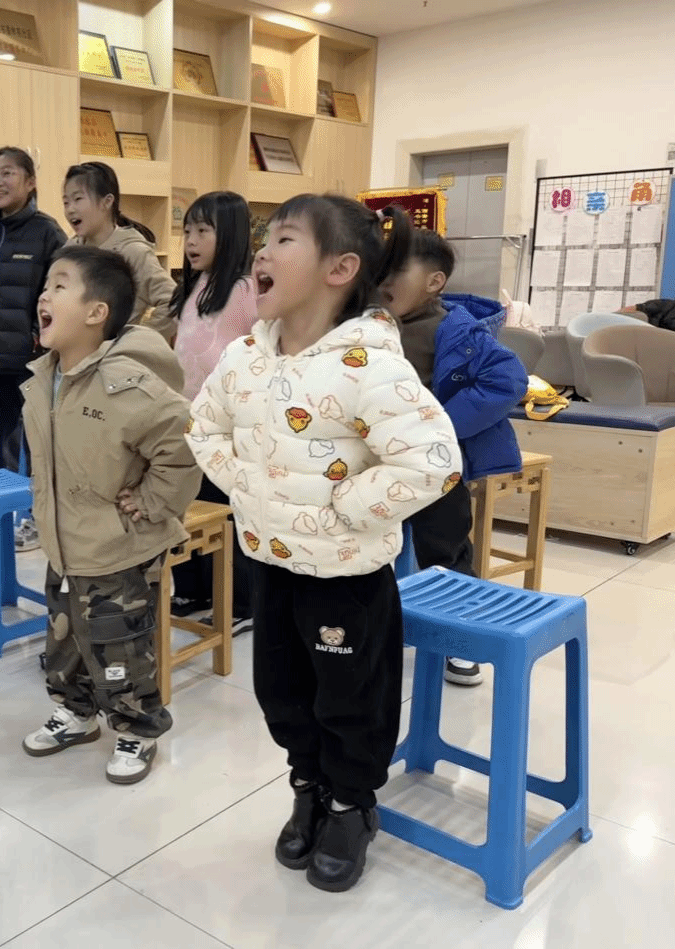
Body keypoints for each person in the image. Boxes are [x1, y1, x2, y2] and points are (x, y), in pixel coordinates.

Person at [188, 196, 462, 893]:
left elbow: (432, 461)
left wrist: (345, 507)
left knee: (349, 698)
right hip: (270, 562)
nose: (262, 251)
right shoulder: (246, 357)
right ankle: (307, 786)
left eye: (284, 239)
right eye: (264, 239)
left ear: (340, 269)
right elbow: (204, 427)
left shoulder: (369, 363)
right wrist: (247, 485)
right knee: (281, 692)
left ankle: (350, 805)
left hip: (345, 575)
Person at [20, 245, 200, 785]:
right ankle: (75, 712)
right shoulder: (44, 377)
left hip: (117, 547)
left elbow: (183, 446)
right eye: (45, 285)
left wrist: (151, 500)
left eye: (59, 286)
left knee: (119, 643)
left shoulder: (127, 383)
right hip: (64, 544)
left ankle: (137, 728)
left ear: (97, 312)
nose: (44, 295)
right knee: (66, 638)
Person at [380, 227, 528, 686]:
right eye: (380, 268)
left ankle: (461, 642)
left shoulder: (456, 329)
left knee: (445, 552)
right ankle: (384, 629)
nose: (384, 279)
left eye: (397, 269)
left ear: (434, 281)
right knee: (373, 552)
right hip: (378, 465)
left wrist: (440, 428)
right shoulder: (369, 326)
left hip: (436, 469)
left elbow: (507, 380)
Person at [0, 146, 66, 552]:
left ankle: (37, 519)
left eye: (7, 173)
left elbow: (60, 296)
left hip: (29, 363)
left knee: (37, 445)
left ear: (30, 181)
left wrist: (41, 339)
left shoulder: (47, 233)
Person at [167, 191, 259, 631]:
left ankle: (241, 602)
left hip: (228, 426)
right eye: (187, 230)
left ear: (232, 235)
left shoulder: (243, 289)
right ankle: (193, 588)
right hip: (189, 419)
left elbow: (262, 350)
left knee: (226, 511)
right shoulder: (195, 285)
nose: (191, 240)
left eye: (203, 231)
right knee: (188, 502)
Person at [62, 162, 176, 340]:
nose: (70, 209)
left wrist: (137, 341)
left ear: (107, 202)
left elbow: (173, 301)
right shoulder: (68, 250)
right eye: (66, 202)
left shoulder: (133, 251)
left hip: (114, 355)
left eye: (78, 199)